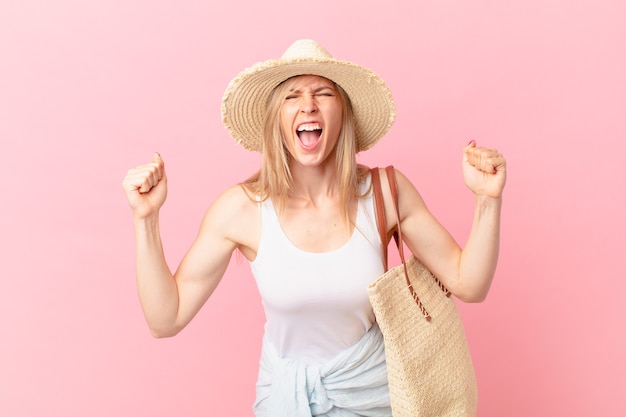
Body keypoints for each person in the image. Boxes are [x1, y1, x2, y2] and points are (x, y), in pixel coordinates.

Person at [122, 39, 506, 416]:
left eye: (323, 93)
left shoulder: (385, 193)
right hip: (283, 403)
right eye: (291, 96)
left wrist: (488, 200)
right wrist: (146, 219)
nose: (307, 105)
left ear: (343, 113)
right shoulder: (241, 209)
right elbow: (164, 319)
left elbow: (468, 283)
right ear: (277, 117)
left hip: (374, 400)